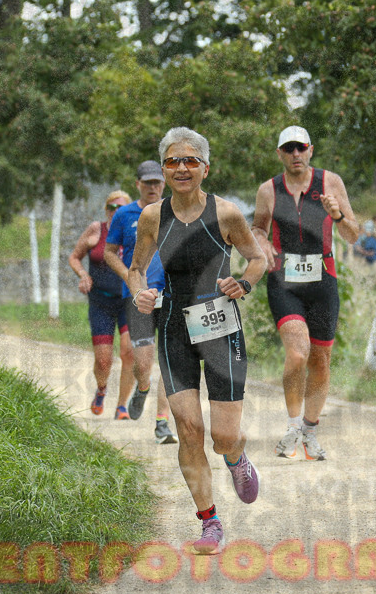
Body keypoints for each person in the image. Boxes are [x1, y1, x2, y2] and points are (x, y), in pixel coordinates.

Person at [129, 127, 267, 554]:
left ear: (206, 167)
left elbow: (258, 259)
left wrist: (242, 283)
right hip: (173, 326)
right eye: (173, 161)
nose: (181, 168)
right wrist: (140, 292)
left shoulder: (226, 214)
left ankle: (235, 457)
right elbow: (136, 268)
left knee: (223, 435)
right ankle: (209, 521)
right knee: (188, 427)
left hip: (220, 325)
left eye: (190, 161)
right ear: (165, 169)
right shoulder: (153, 217)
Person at [252, 125, 359, 461]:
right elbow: (257, 228)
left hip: (323, 279)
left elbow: (352, 234)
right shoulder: (268, 190)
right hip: (284, 281)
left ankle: (310, 432)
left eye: (301, 148)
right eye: (288, 149)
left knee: (320, 360)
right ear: (280, 154)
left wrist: (337, 214)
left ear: (310, 150)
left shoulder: (331, 183)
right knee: (298, 353)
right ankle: (293, 425)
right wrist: (263, 244)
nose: (295, 155)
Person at [104, 161, 176, 444]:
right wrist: (128, 275)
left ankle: (162, 422)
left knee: (171, 361)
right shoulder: (124, 214)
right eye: (147, 183)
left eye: (158, 182)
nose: (153, 187)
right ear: (138, 184)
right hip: (137, 297)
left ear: (164, 183)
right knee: (143, 362)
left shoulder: (175, 211)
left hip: (170, 295)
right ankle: (142, 387)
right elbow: (110, 252)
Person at [68, 190, 147, 434]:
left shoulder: (133, 232)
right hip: (100, 302)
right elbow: (74, 257)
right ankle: (101, 389)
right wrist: (83, 275)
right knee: (103, 360)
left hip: (126, 302)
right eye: (112, 207)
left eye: (121, 208)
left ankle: (122, 405)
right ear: (106, 210)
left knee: (129, 353)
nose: (116, 211)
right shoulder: (96, 230)